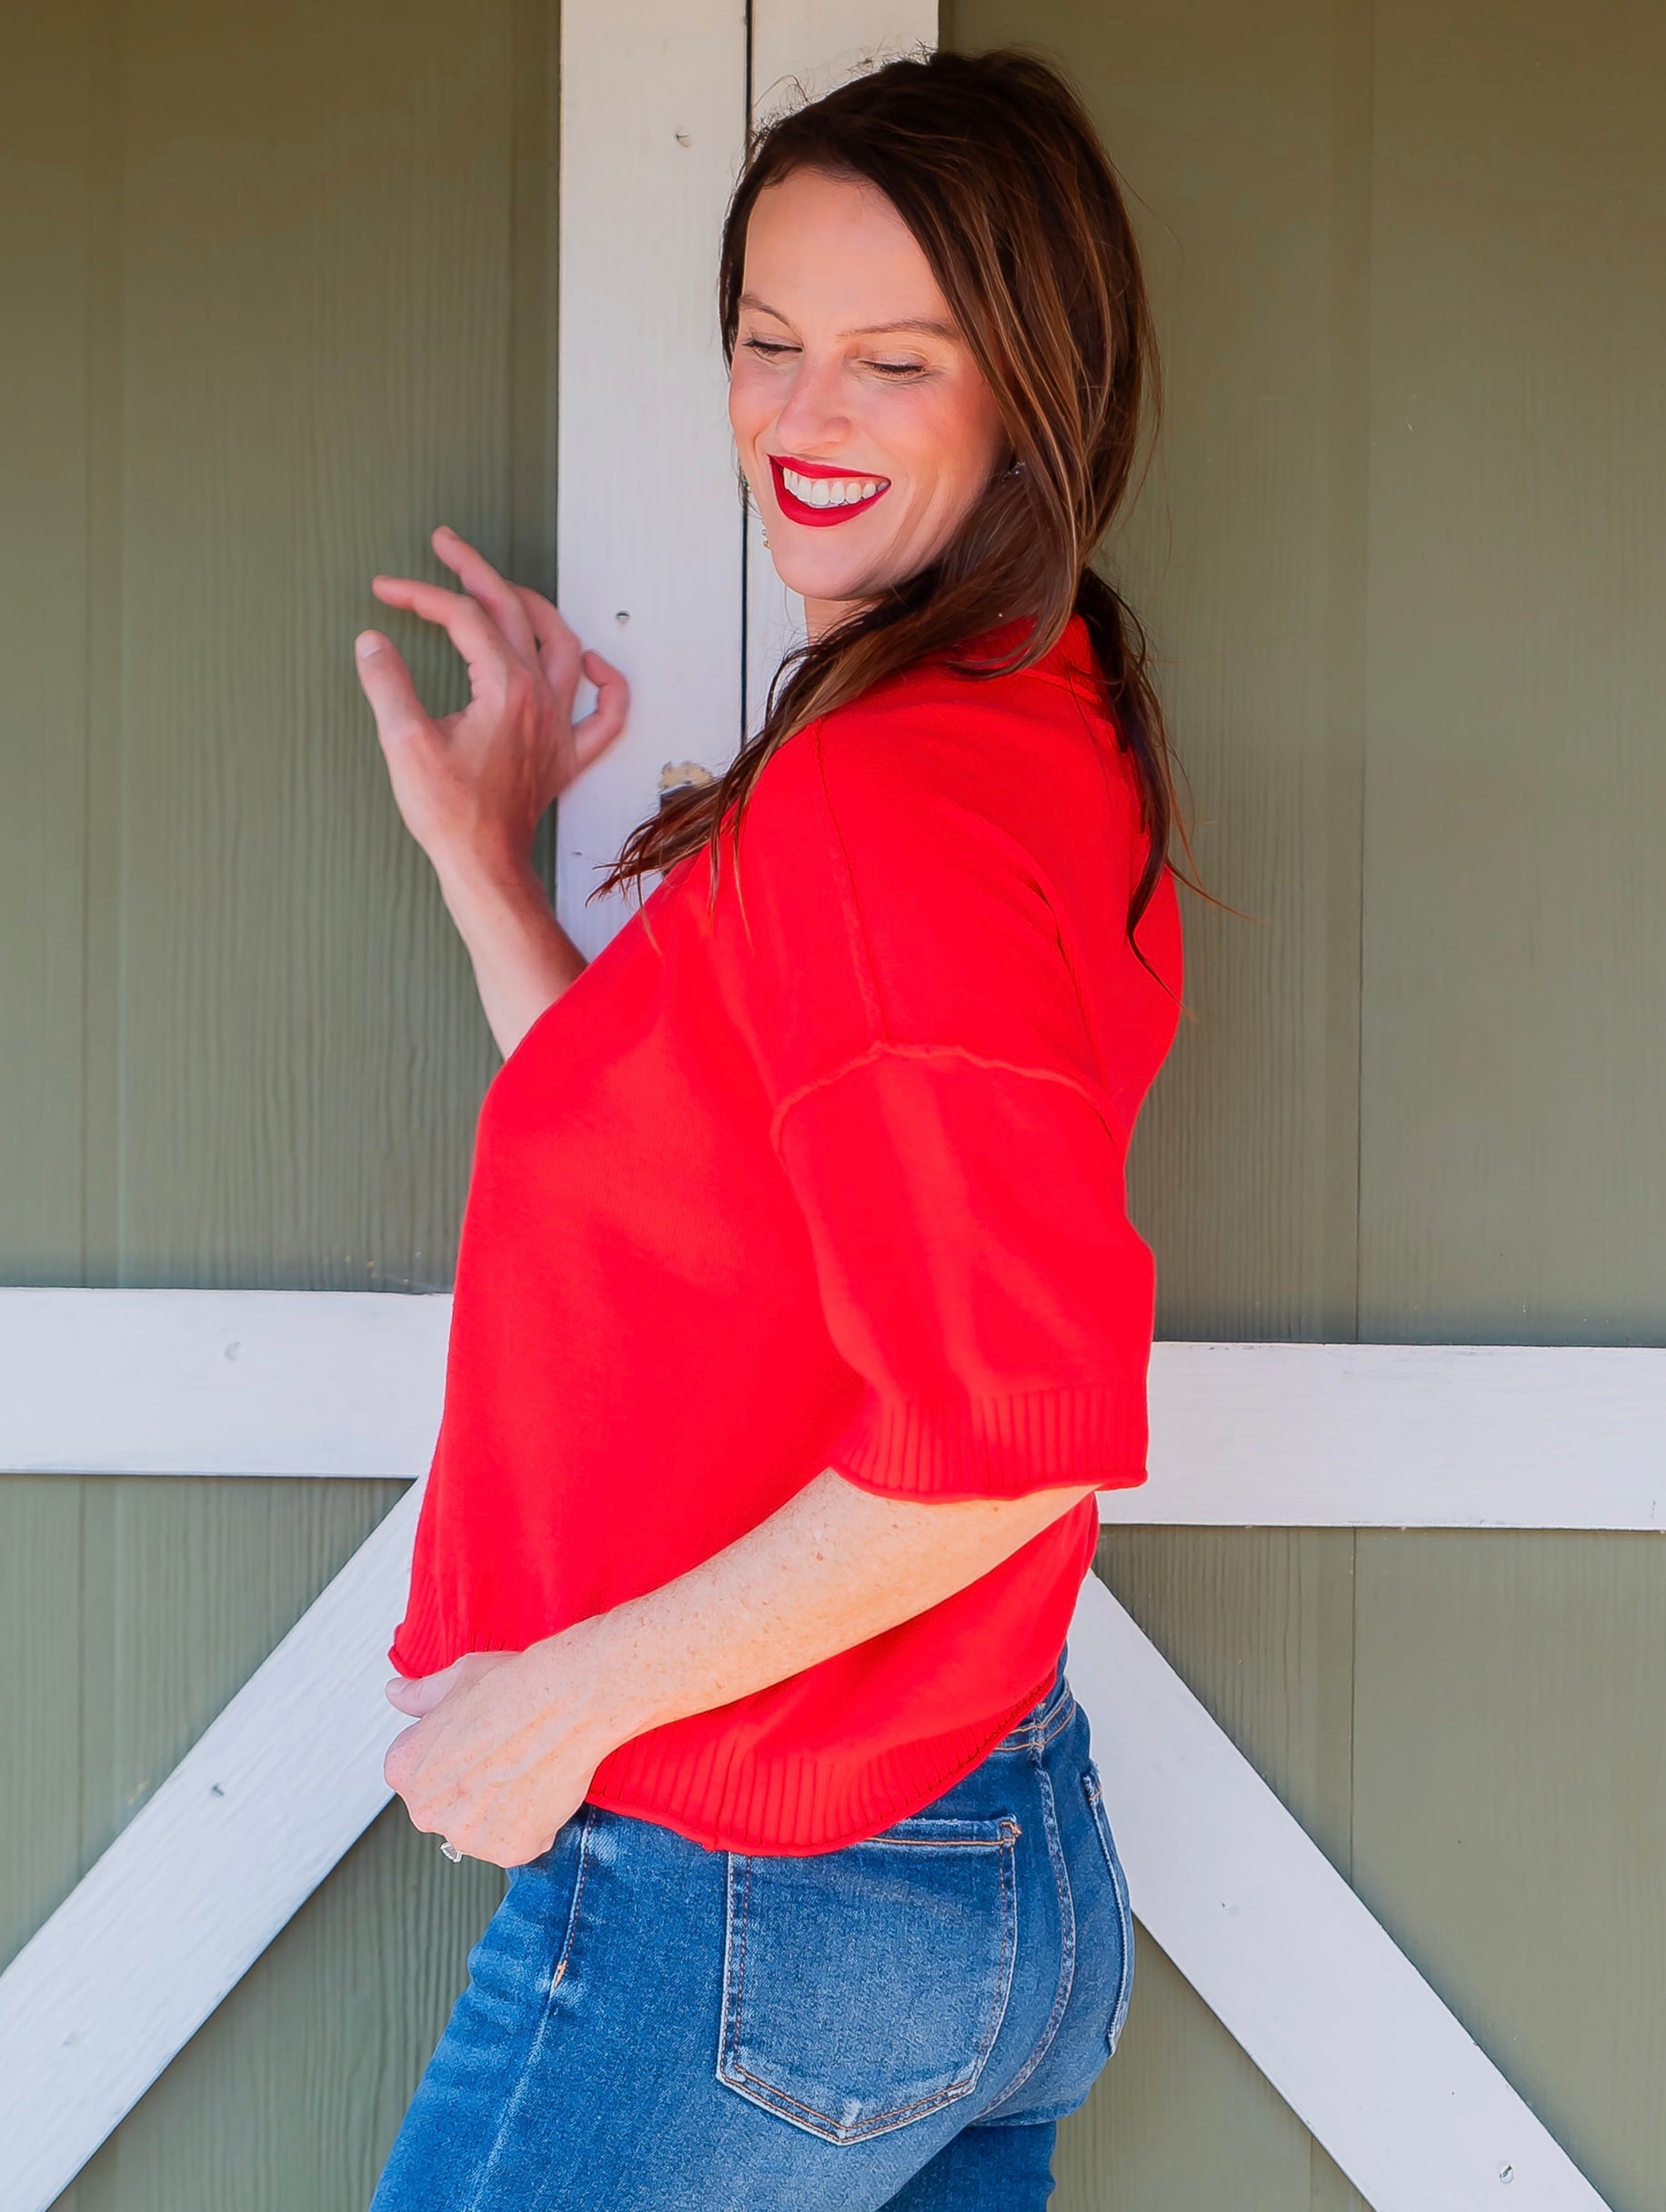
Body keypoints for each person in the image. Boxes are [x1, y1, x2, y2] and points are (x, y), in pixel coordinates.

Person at [352, 45, 1186, 2212]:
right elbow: (687, 1200)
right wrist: (490, 870)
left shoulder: (879, 802)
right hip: (976, 1853)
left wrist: (558, 1706)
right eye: (766, 339)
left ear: (1035, 389)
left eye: (894, 361)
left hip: (764, 1886)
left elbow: (1014, 1434)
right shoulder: (1032, 729)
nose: (803, 418)